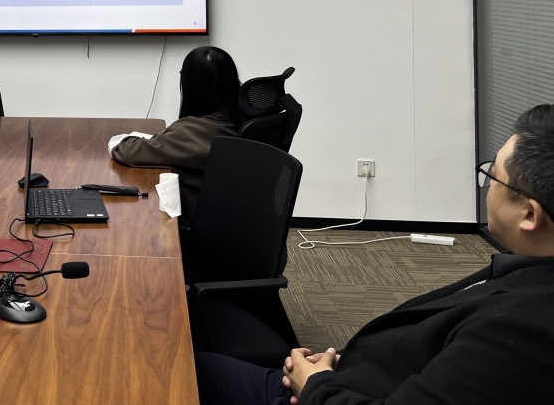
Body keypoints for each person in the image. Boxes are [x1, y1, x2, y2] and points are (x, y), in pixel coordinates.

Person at [195, 104, 554, 405]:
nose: (487, 184)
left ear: (529, 215)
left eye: (494, 176)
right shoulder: (525, 273)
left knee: (183, 372)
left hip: (321, 395)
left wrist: (316, 385)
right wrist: (331, 366)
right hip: (342, 377)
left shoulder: (520, 333)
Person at [109, 46, 243, 218]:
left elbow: (127, 151)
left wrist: (124, 139)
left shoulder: (189, 133)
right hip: (234, 214)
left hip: (197, 217)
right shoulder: (248, 119)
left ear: (191, 86)